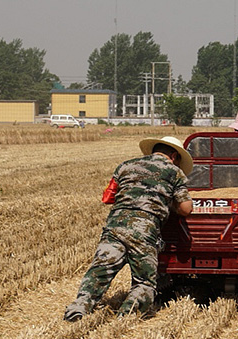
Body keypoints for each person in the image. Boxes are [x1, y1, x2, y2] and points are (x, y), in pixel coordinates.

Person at [63, 135, 194, 321]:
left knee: (100, 270)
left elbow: (108, 197)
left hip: (115, 226)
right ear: (174, 156)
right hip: (144, 230)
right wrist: (167, 202)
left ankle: (79, 307)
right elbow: (185, 209)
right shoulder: (174, 172)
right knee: (144, 281)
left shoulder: (126, 165)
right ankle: (127, 316)